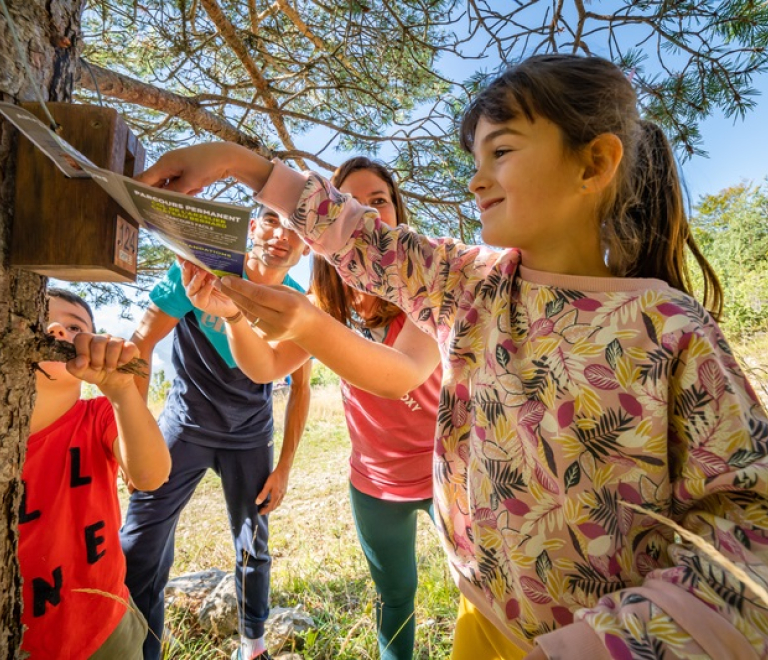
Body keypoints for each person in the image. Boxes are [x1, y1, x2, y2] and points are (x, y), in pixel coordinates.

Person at [135, 53, 768, 660]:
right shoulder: (472, 284)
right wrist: (234, 162)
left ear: (593, 163)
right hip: (483, 616)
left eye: (502, 151)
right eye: (475, 158)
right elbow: (359, 236)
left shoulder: (668, 328)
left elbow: (748, 542)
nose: (476, 178)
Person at [179, 157, 442, 660]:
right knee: (396, 600)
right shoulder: (327, 302)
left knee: (481, 590)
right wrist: (233, 313)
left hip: (447, 473)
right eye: (349, 202)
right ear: (325, 222)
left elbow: (398, 376)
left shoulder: (424, 284)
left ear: (397, 213)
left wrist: (307, 322)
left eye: (378, 201)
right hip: (375, 484)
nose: (364, 211)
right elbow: (266, 367)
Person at [119, 207, 312, 660]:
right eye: (270, 219)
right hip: (183, 426)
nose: (282, 234)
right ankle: (140, 646)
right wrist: (133, 441)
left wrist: (283, 467)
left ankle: (252, 645)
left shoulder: (297, 304)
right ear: (251, 226)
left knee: (253, 543)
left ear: (309, 245)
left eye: (297, 228)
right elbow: (140, 343)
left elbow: (300, 387)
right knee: (141, 544)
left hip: (249, 437)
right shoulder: (201, 269)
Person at [20, 288, 171, 659]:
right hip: (21, 639)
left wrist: (121, 390)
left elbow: (152, 475)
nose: (57, 329)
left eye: (75, 327)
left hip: (106, 626)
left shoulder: (100, 415)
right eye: (42, 319)